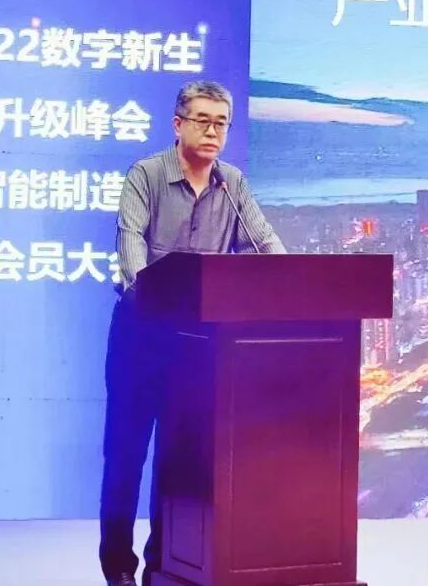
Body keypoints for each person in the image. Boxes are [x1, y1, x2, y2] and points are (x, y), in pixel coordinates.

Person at [99, 80, 285, 586]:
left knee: (178, 458)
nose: (212, 131)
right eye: (202, 121)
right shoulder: (146, 175)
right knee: (125, 455)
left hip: (198, 347)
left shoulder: (231, 184)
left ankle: (166, 564)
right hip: (140, 337)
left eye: (221, 123)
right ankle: (118, 568)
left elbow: (265, 244)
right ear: (178, 124)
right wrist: (152, 294)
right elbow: (131, 251)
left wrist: (290, 280)